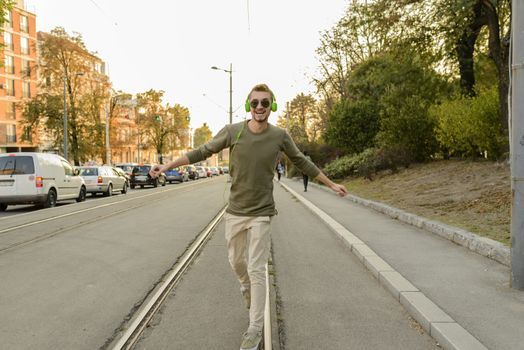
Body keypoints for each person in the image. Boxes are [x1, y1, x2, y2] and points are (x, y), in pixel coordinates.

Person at [149, 83, 347, 350]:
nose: (260, 108)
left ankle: (254, 329)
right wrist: (167, 165)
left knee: (257, 269)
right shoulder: (234, 131)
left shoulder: (280, 135)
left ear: (272, 106)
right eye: (255, 103)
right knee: (236, 263)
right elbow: (201, 152)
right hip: (235, 212)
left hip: (262, 213)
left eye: (265, 103)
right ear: (248, 106)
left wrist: (332, 184)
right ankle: (246, 290)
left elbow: (301, 161)